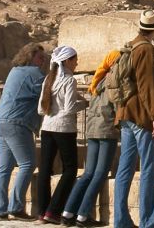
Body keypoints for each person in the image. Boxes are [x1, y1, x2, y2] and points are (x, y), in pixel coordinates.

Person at [109, 11, 154, 228]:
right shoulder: (146, 49)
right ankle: (148, 221)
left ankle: (121, 220)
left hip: (125, 113)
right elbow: (147, 87)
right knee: (149, 169)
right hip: (141, 117)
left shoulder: (131, 45)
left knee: (124, 169)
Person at [60, 49, 121, 226]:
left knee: (88, 173)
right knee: (100, 173)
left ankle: (68, 212)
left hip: (93, 130)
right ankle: (83, 215)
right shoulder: (114, 80)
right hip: (106, 130)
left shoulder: (98, 80)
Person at [0, 42, 49, 221]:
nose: (42, 61)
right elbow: (48, 91)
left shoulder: (14, 71)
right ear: (30, 56)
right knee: (27, 164)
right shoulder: (34, 74)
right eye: (40, 58)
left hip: (0, 119)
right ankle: (16, 207)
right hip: (16, 121)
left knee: (5, 167)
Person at [36, 45, 85, 224]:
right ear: (66, 61)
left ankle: (42, 211)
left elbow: (41, 109)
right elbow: (70, 108)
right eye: (74, 59)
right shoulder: (70, 81)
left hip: (47, 127)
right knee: (70, 169)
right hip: (64, 128)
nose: (77, 63)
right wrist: (85, 104)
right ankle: (54, 211)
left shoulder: (49, 78)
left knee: (45, 170)